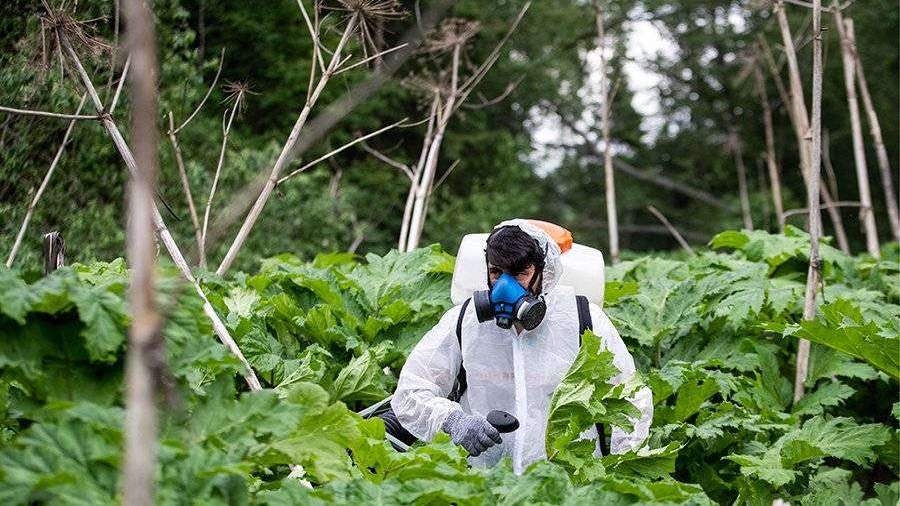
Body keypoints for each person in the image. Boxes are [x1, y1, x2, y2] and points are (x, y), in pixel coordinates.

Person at [390, 219, 653, 474]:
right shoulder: (464, 321)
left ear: (543, 273)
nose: (505, 287)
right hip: (482, 484)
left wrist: (622, 467)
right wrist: (453, 421)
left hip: (568, 485)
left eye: (520, 274)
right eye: (496, 273)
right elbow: (411, 391)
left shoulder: (584, 319)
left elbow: (632, 396)